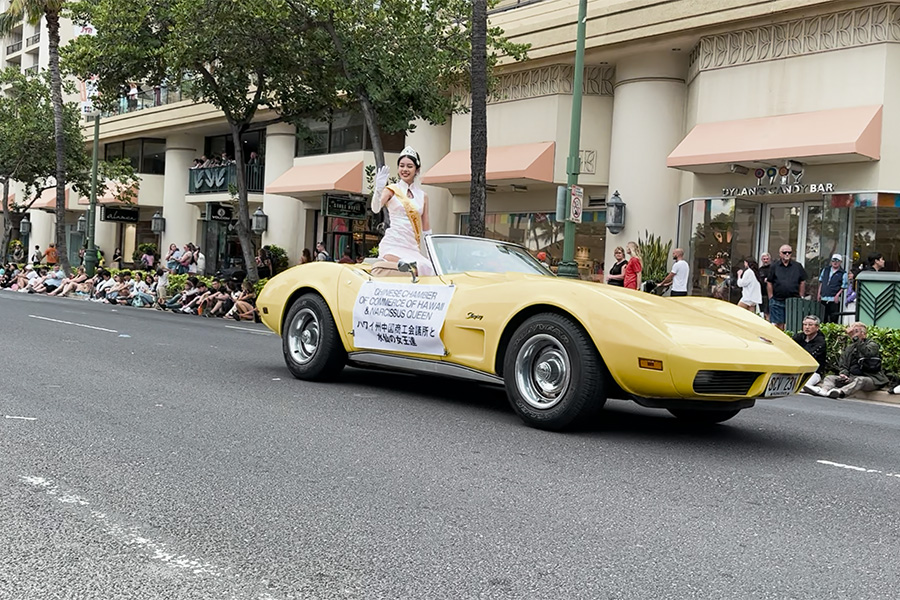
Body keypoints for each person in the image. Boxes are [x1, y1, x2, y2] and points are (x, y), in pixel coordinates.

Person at [370, 146, 434, 275]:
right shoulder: (392, 190)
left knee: (429, 268)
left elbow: (426, 228)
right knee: (410, 267)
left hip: (412, 247)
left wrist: (432, 253)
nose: (405, 169)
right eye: (401, 166)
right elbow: (375, 208)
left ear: (417, 169)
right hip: (393, 244)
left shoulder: (423, 196)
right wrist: (378, 189)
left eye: (409, 166)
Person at [813, 322, 888, 398]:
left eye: (856, 331)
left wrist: (856, 339)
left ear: (864, 334)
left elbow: (867, 353)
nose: (853, 334)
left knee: (860, 380)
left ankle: (840, 392)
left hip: (871, 379)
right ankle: (824, 391)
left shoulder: (872, 345)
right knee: (830, 378)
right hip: (852, 377)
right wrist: (844, 374)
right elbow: (843, 364)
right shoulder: (850, 348)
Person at [766, 244, 807, 330]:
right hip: (777, 300)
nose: (787, 254)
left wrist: (801, 296)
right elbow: (769, 282)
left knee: (792, 324)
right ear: (780, 254)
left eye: (789, 252)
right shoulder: (774, 266)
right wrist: (771, 297)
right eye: (784, 252)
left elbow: (802, 281)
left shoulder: (797, 266)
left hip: (794, 300)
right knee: (778, 324)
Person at [795, 315, 827, 393]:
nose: (807, 327)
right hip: (797, 369)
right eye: (805, 324)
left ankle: (818, 390)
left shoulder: (821, 341)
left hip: (814, 372)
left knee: (803, 387)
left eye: (810, 325)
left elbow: (809, 355)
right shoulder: (799, 337)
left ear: (817, 327)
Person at [818, 253, 848, 324]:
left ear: (840, 262)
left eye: (837, 261)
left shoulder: (843, 273)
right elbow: (821, 282)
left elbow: (843, 286)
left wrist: (837, 295)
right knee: (823, 317)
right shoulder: (825, 270)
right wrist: (819, 293)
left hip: (833, 299)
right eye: (833, 261)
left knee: (833, 318)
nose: (835, 263)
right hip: (823, 297)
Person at [758, 252, 772, 320]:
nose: (766, 260)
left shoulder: (772, 269)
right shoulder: (760, 270)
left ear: (769, 259)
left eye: (767, 259)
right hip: (762, 293)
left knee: (768, 312)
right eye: (764, 259)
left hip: (770, 294)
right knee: (762, 311)